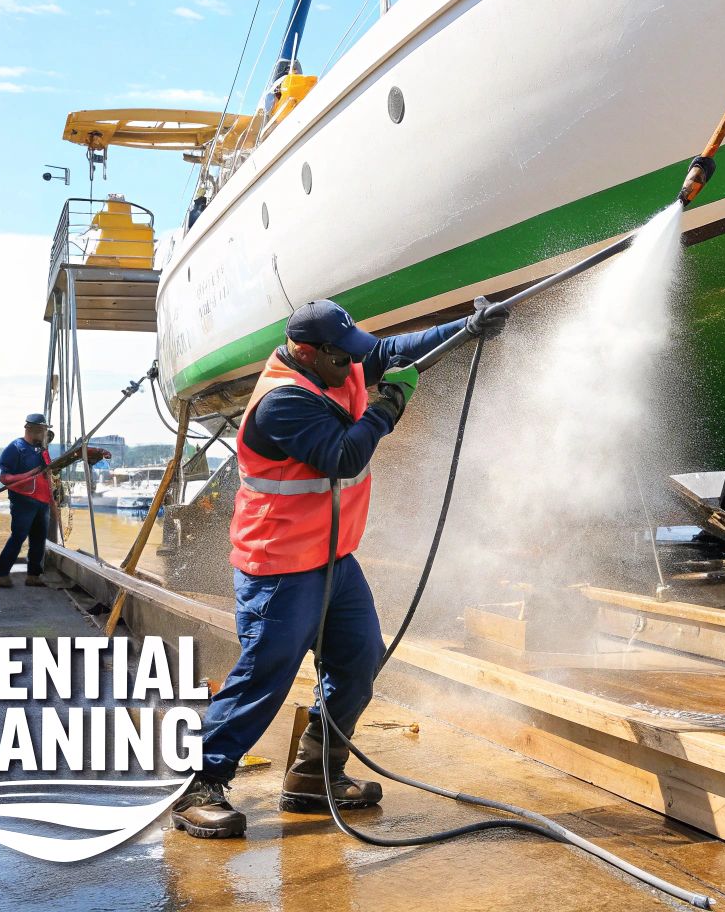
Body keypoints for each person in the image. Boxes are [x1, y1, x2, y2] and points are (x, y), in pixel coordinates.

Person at [173, 297, 508, 839]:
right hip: (280, 565)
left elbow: (392, 350)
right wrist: (389, 404)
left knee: (358, 659)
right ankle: (198, 784)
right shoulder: (282, 402)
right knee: (264, 675)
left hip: (331, 558)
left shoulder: (335, 361)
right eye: (342, 357)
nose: (355, 364)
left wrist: (467, 329)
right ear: (309, 352)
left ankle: (313, 775)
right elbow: (344, 455)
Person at [0, 414, 56, 588]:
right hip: (23, 500)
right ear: (32, 430)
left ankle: (34, 575)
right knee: (19, 536)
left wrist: (52, 496)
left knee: (39, 539)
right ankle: (0, 573)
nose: (45, 434)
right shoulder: (16, 447)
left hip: (42, 501)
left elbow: (48, 473)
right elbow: (4, 478)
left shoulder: (42, 450)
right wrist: (27, 475)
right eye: (43, 431)